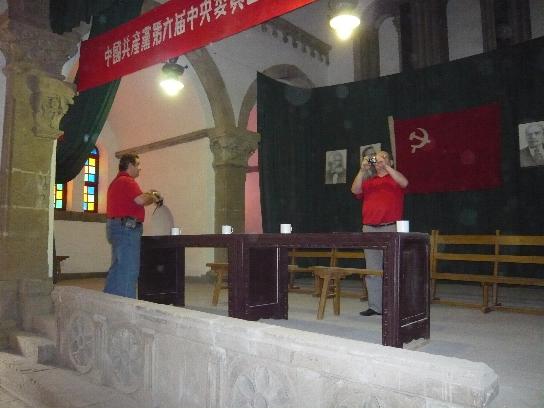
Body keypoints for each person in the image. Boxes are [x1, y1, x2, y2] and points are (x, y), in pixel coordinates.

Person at [351, 150, 408, 316]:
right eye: (377, 158)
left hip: (390, 228)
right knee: (372, 270)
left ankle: (395, 305)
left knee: (393, 268)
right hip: (369, 228)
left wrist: (387, 167)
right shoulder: (369, 180)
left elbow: (404, 182)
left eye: (383, 156)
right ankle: (375, 306)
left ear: (390, 160)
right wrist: (362, 169)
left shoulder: (394, 178)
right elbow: (355, 190)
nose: (379, 160)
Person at [104, 153, 162, 298]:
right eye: (138, 165)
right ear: (129, 165)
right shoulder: (127, 181)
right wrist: (153, 195)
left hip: (117, 227)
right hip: (127, 229)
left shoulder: (115, 182)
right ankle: (126, 308)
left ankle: (108, 302)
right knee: (129, 269)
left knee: (118, 268)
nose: (140, 168)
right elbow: (140, 200)